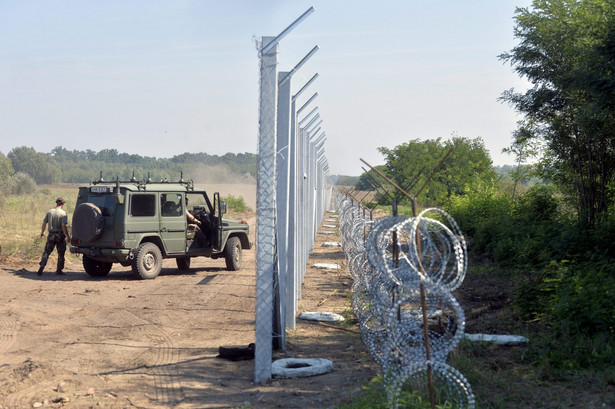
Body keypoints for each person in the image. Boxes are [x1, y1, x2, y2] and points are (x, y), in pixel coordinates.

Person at [38, 197, 71, 276]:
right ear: (62, 204)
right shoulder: (63, 213)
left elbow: (44, 223)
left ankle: (42, 267)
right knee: (61, 253)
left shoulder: (50, 212)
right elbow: (63, 226)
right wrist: (67, 236)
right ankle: (59, 270)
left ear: (56, 203)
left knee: (47, 252)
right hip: (60, 235)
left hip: (51, 235)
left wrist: (42, 232)